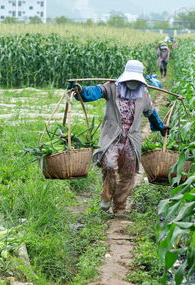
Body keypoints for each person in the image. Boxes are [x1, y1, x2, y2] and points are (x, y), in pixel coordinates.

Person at [68, 60, 170, 217]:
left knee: (128, 174)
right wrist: (80, 90)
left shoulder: (143, 93)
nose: (133, 83)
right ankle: (106, 195)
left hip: (131, 139)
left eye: (136, 80)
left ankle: (120, 207)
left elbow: (150, 112)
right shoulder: (111, 88)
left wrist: (161, 127)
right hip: (112, 136)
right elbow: (93, 93)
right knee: (108, 165)